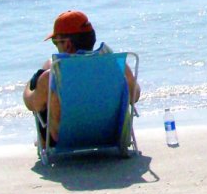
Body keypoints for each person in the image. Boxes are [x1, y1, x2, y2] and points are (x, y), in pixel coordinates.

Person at [23, 10, 141, 145]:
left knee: (42, 83)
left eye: (56, 43)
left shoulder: (50, 76)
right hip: (111, 136)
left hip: (65, 141)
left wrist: (31, 84)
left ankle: (43, 142)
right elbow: (134, 96)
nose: (56, 47)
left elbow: (32, 104)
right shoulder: (115, 66)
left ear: (67, 44)